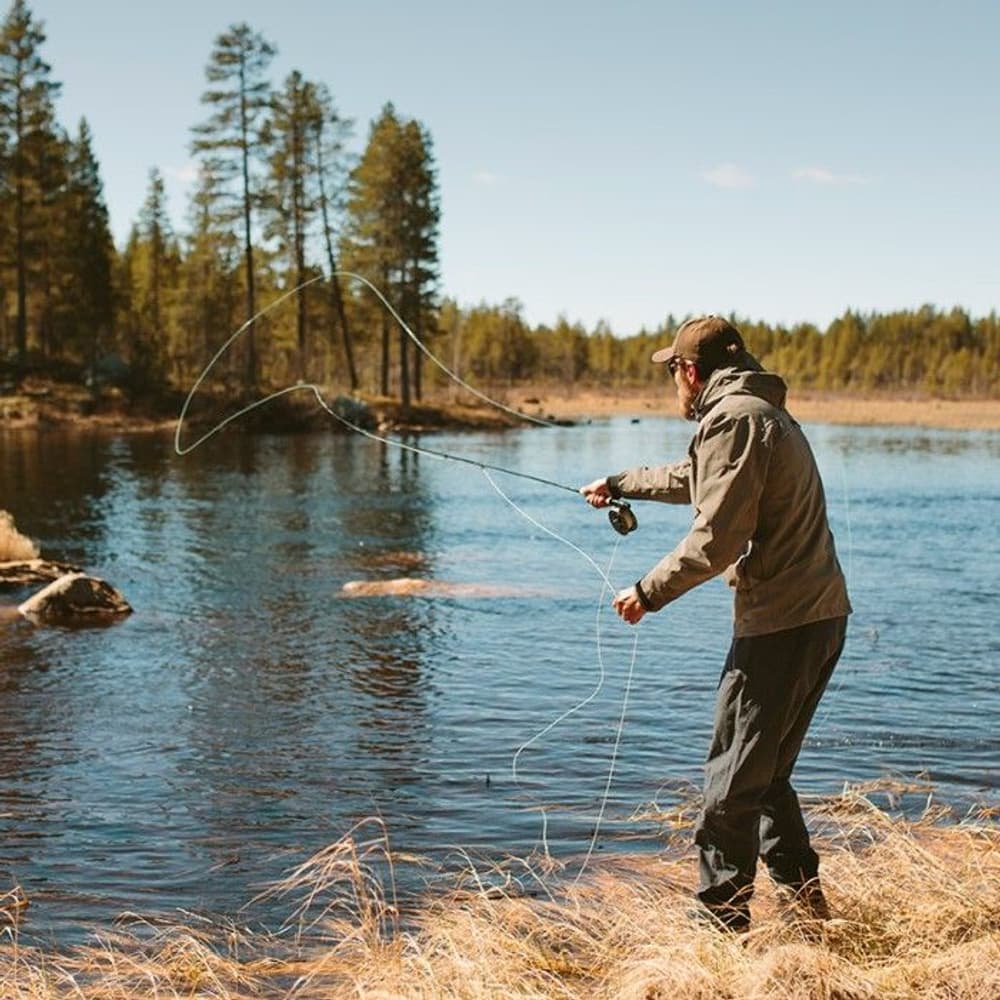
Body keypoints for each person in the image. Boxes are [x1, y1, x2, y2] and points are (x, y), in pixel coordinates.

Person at [580, 315, 851, 933]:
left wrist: (647, 593)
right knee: (767, 778)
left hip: (781, 627)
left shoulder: (732, 419)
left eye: (672, 371)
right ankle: (811, 921)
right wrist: (622, 483)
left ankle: (719, 934)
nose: (673, 384)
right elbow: (698, 479)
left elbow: (718, 537)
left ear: (690, 371)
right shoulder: (758, 415)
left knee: (731, 785)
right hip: (820, 617)